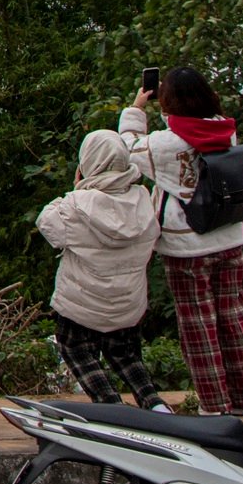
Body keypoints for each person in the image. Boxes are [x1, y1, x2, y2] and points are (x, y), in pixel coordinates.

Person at [120, 67, 243, 417]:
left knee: (198, 325)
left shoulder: (168, 144)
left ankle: (215, 406)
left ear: (168, 101)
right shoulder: (224, 130)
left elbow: (126, 150)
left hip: (188, 247)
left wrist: (137, 110)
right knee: (234, 319)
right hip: (229, 237)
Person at [37, 130, 170, 412]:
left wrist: (77, 190)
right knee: (127, 355)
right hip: (128, 305)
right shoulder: (143, 199)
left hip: (80, 307)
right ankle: (154, 402)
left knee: (76, 350)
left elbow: (47, 223)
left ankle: (110, 404)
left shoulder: (75, 205)